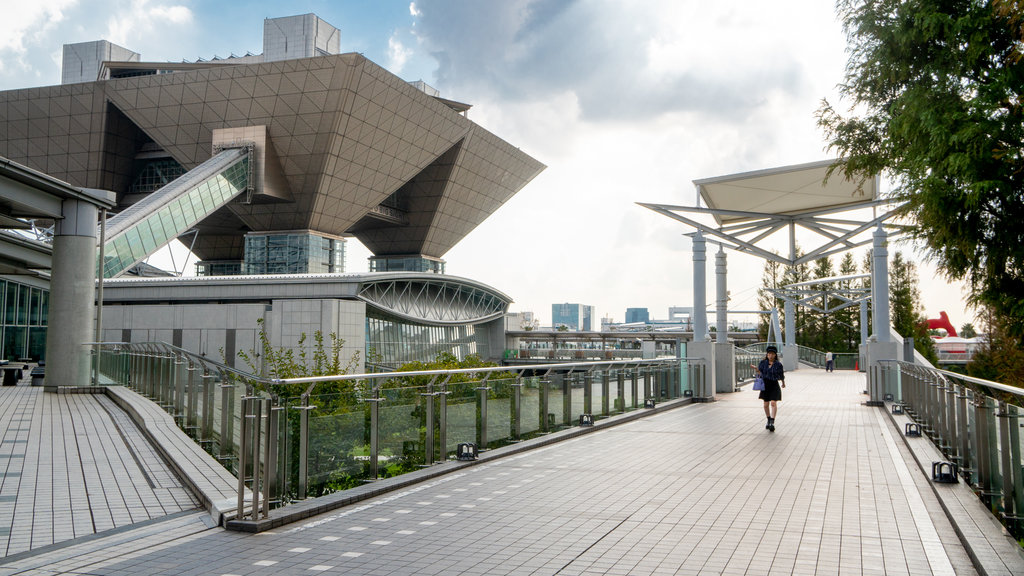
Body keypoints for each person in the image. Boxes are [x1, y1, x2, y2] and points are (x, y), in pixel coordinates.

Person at [750, 345, 785, 431]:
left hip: (774, 385)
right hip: (765, 385)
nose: (770, 355)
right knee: (766, 404)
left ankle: (772, 421)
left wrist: (783, 383)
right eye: (769, 354)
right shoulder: (763, 363)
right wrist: (756, 369)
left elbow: (781, 375)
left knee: (773, 403)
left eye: (772, 354)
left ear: (775, 355)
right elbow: (760, 373)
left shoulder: (778, 364)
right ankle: (768, 419)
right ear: (767, 354)